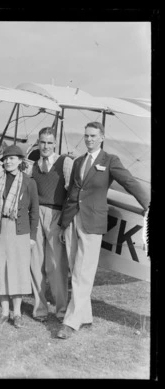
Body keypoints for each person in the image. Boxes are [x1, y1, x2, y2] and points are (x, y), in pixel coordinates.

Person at [57, 121, 150, 339]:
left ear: (102, 137)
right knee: (75, 270)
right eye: (86, 135)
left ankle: (70, 322)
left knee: (83, 272)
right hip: (72, 220)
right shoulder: (79, 161)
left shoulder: (110, 161)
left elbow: (129, 182)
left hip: (93, 223)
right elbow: (72, 193)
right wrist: (63, 223)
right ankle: (86, 316)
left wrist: (148, 203)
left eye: (93, 136)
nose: (88, 139)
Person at [0, 145, 39, 328]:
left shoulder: (29, 182)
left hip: (20, 230)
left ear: (20, 161)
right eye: (6, 158)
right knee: (1, 269)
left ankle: (16, 313)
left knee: (17, 270)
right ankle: (3, 312)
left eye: (12, 158)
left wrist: (32, 236)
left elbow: (34, 211)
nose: (8, 161)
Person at [30, 127, 73, 322]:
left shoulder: (65, 162)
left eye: (49, 142)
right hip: (36, 215)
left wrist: (65, 221)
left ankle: (61, 309)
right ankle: (39, 309)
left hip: (56, 214)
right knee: (35, 262)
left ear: (55, 143)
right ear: (38, 143)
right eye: (42, 142)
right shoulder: (33, 165)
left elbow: (72, 192)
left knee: (56, 265)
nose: (45, 146)